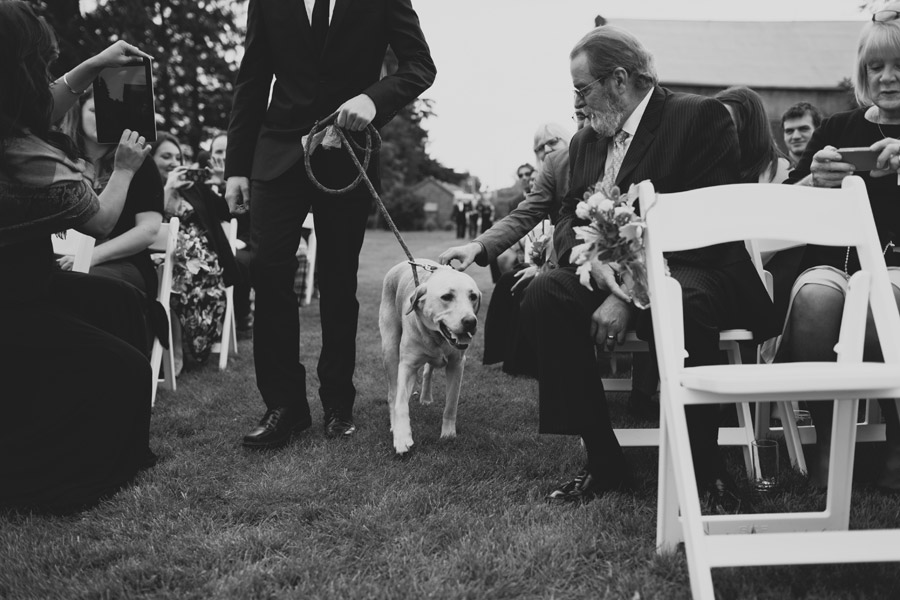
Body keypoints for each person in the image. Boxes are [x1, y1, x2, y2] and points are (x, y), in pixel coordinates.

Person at [520, 25, 777, 504]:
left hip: (697, 263)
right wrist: (589, 261)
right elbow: (568, 215)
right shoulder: (585, 142)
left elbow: (703, 224)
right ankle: (603, 459)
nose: (577, 102)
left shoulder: (699, 117)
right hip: (612, 269)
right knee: (545, 294)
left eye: (582, 89)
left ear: (619, 80)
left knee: (684, 300)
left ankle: (707, 468)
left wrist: (630, 297)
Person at [225, 0, 436, 447]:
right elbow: (253, 77)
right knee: (268, 267)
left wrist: (371, 98)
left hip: (348, 152)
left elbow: (420, 66)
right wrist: (236, 168)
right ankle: (284, 405)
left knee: (337, 281)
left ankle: (338, 402)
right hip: (278, 151)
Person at [0, 0, 156, 511]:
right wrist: (127, 168)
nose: (46, 74)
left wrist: (92, 66)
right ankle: (45, 478)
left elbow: (33, 105)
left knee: (125, 305)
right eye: (39, 64)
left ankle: (129, 448)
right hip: (13, 305)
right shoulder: (26, 159)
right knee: (126, 370)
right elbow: (98, 220)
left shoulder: (11, 118)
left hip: (31, 284)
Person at [772, 7, 900, 491]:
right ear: (863, 73)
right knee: (815, 300)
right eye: (875, 67)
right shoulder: (837, 129)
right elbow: (782, 213)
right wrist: (814, 181)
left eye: (898, 65)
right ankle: (826, 440)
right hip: (832, 261)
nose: (887, 78)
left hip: (893, 263)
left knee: (880, 299)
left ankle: (896, 439)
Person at [439, 121, 574, 376]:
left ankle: (538, 359)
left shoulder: (586, 162)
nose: (546, 150)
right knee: (508, 282)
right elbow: (522, 216)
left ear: (568, 138)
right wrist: (477, 246)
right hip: (550, 256)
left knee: (534, 285)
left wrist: (545, 268)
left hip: (572, 260)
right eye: (540, 147)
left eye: (552, 142)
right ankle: (510, 357)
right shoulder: (552, 172)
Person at [57, 88, 164, 295]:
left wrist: (90, 257)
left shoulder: (139, 159)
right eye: (95, 110)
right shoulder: (61, 158)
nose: (104, 118)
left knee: (76, 285)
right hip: (62, 258)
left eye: (111, 111)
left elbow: (148, 230)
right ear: (78, 112)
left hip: (124, 264)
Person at [151, 132, 242, 372]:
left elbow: (233, 212)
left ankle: (179, 350)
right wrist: (168, 189)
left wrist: (224, 182)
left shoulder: (195, 188)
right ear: (151, 158)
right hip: (158, 257)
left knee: (179, 275)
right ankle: (172, 350)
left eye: (177, 157)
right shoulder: (146, 189)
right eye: (165, 156)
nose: (173, 162)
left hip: (201, 263)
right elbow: (148, 226)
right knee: (167, 273)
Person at [715, 86, 791, 184]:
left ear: (749, 126)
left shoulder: (777, 169)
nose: (718, 129)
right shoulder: (714, 165)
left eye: (728, 123)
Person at [781, 101, 823, 166]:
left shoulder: (834, 168)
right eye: (789, 131)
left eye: (803, 129)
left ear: (818, 131)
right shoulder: (772, 170)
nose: (795, 136)